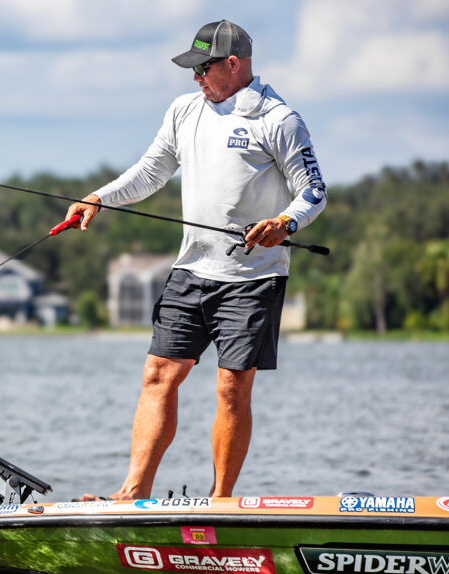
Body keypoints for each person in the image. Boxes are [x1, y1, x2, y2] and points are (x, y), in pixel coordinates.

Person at [67, 20, 327, 501]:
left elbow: (313, 191)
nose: (195, 78)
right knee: (158, 375)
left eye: (203, 68)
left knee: (231, 386)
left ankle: (221, 501)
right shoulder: (185, 111)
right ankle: (132, 493)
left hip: (251, 278)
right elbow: (151, 172)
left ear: (234, 64)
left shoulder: (280, 119)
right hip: (191, 271)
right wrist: (99, 198)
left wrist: (285, 224)